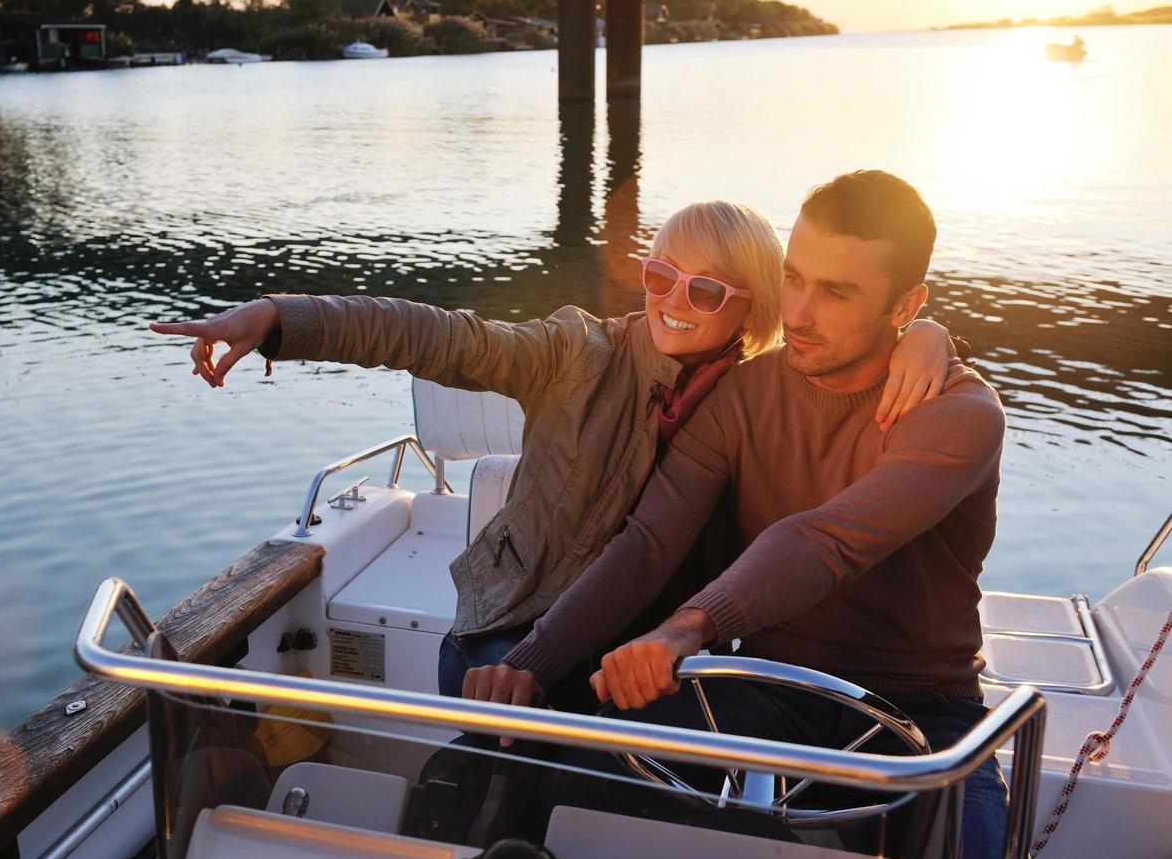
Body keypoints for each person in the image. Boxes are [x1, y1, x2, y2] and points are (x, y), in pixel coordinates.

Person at [149, 201, 958, 701]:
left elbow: (853, 314)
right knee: (509, 749)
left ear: (751, 310)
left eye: (706, 291)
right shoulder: (579, 352)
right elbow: (438, 337)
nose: (674, 302)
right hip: (515, 619)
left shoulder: (755, 395)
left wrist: (928, 335)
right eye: (660, 275)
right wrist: (281, 318)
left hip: (648, 644)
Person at [477, 171, 1030, 859]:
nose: (798, 312)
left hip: (922, 715)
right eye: (792, 278)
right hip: (754, 690)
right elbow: (648, 543)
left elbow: (827, 540)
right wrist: (534, 657)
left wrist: (689, 627)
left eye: (836, 292)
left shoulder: (958, 413)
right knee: (536, 785)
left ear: (906, 306)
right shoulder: (744, 394)